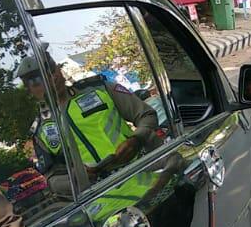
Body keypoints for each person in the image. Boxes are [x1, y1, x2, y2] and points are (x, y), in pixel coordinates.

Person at [17, 50, 160, 192]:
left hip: (147, 172)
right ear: (29, 90)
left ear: (59, 70)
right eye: (38, 80)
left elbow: (147, 115)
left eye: (52, 70)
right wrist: (77, 177)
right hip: (102, 197)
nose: (51, 78)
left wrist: (136, 140)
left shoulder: (100, 88)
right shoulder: (40, 130)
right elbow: (50, 178)